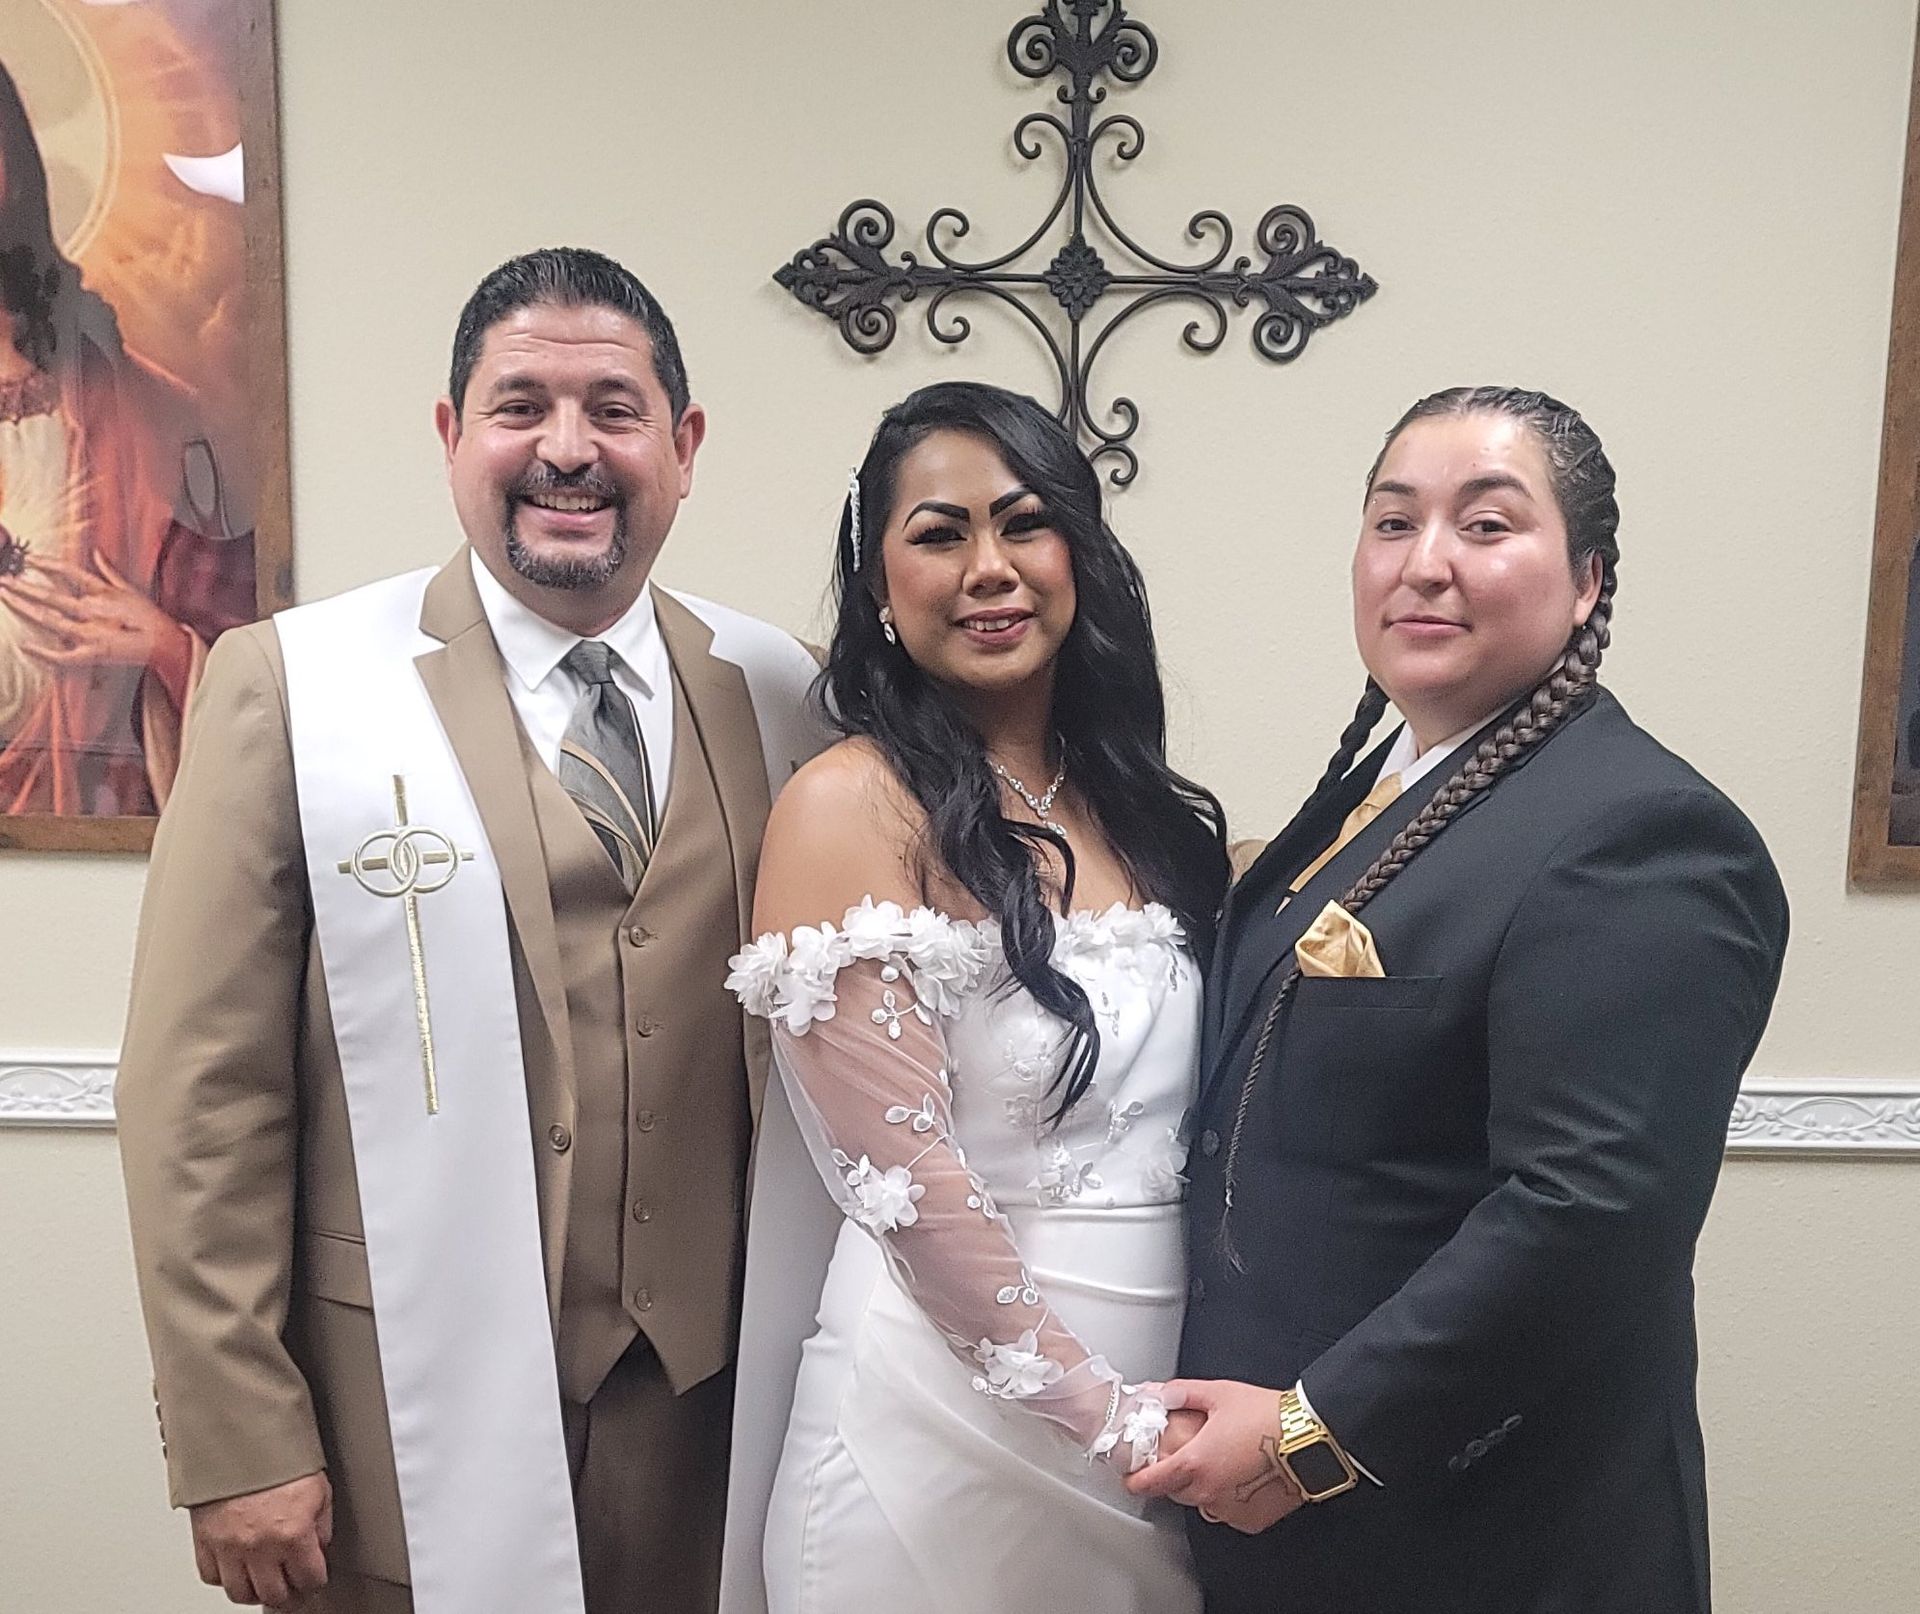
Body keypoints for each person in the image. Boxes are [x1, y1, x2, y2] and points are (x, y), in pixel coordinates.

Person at [116, 247, 825, 1614]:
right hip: (399, 1413)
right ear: (452, 438)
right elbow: (200, 1094)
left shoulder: (784, 691)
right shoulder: (297, 686)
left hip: (720, 1418)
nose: (569, 450)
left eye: (614, 409)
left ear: (681, 446)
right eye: (521, 406)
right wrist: (236, 1434)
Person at [1130, 387, 1789, 1612]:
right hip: (1292, 1529)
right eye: (1393, 524)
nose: (1425, 565)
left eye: (1486, 527)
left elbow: (1591, 1211)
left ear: (1587, 579)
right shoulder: (1382, 791)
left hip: (1484, 1535)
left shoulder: (1638, 834)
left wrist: (1309, 1435)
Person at [719, 380, 1230, 1613]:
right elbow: (911, 1190)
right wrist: (1111, 1426)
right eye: (940, 534)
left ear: (1080, 554)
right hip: (945, 1432)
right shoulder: (850, 805)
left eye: (1024, 522)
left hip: (1171, 1417)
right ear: (878, 580)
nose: (989, 567)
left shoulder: (1143, 810)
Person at [0, 56, 253, 815]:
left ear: (15, 174)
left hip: (95, 801)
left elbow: (245, 645)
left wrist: (167, 648)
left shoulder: (147, 412)